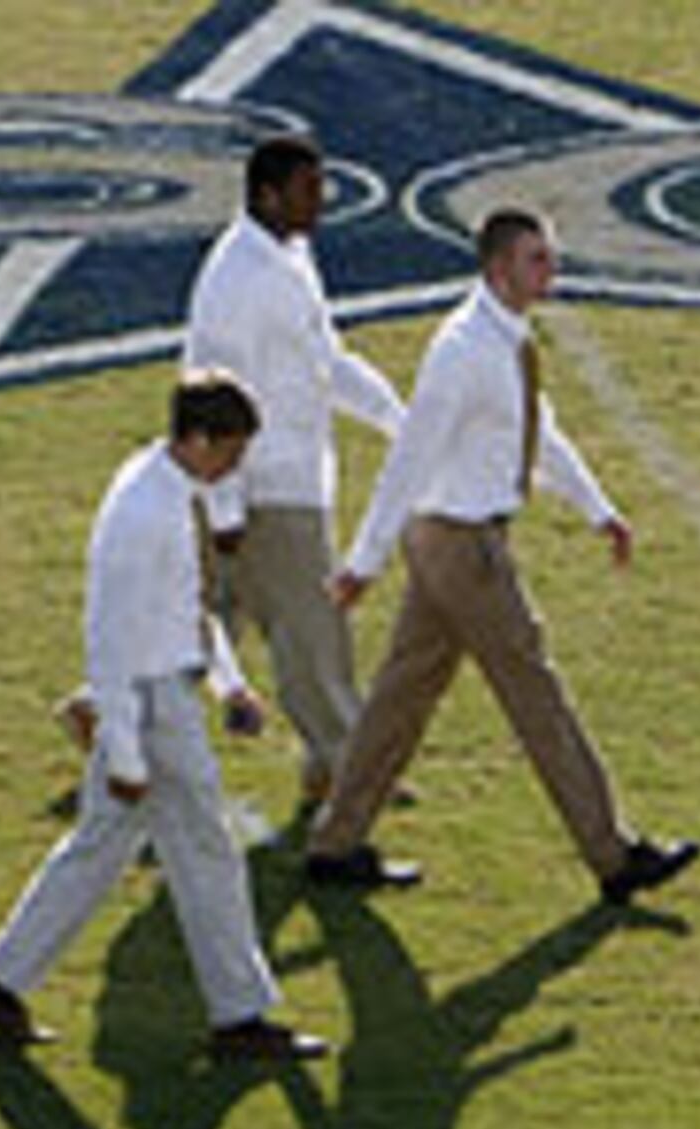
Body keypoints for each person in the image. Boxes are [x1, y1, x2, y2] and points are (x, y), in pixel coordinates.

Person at [302, 208, 697, 903]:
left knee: (402, 696)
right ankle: (612, 854)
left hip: (449, 541)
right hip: (464, 548)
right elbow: (410, 457)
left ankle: (336, 843)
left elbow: (538, 431)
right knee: (537, 697)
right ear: (497, 269)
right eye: (536, 259)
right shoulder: (463, 352)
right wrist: (363, 562)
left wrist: (598, 508)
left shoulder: (502, 339)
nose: (551, 271)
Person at [0, 371, 328, 1062]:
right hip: (153, 707)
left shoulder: (165, 492)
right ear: (197, 438)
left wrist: (229, 686)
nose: (235, 467)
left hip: (162, 694)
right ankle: (240, 1014)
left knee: (98, 848)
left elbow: (188, 607)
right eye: (231, 450)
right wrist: (124, 752)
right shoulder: (146, 513)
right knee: (208, 855)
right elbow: (112, 641)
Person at [180, 134, 406, 806]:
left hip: (291, 475)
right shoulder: (237, 282)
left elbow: (325, 359)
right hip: (263, 485)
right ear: (265, 194)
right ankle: (348, 769)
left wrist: (399, 420)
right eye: (310, 189)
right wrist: (225, 509)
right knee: (314, 632)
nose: (322, 201)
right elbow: (214, 399)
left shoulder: (289, 256)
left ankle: (105, 715)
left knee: (209, 618)